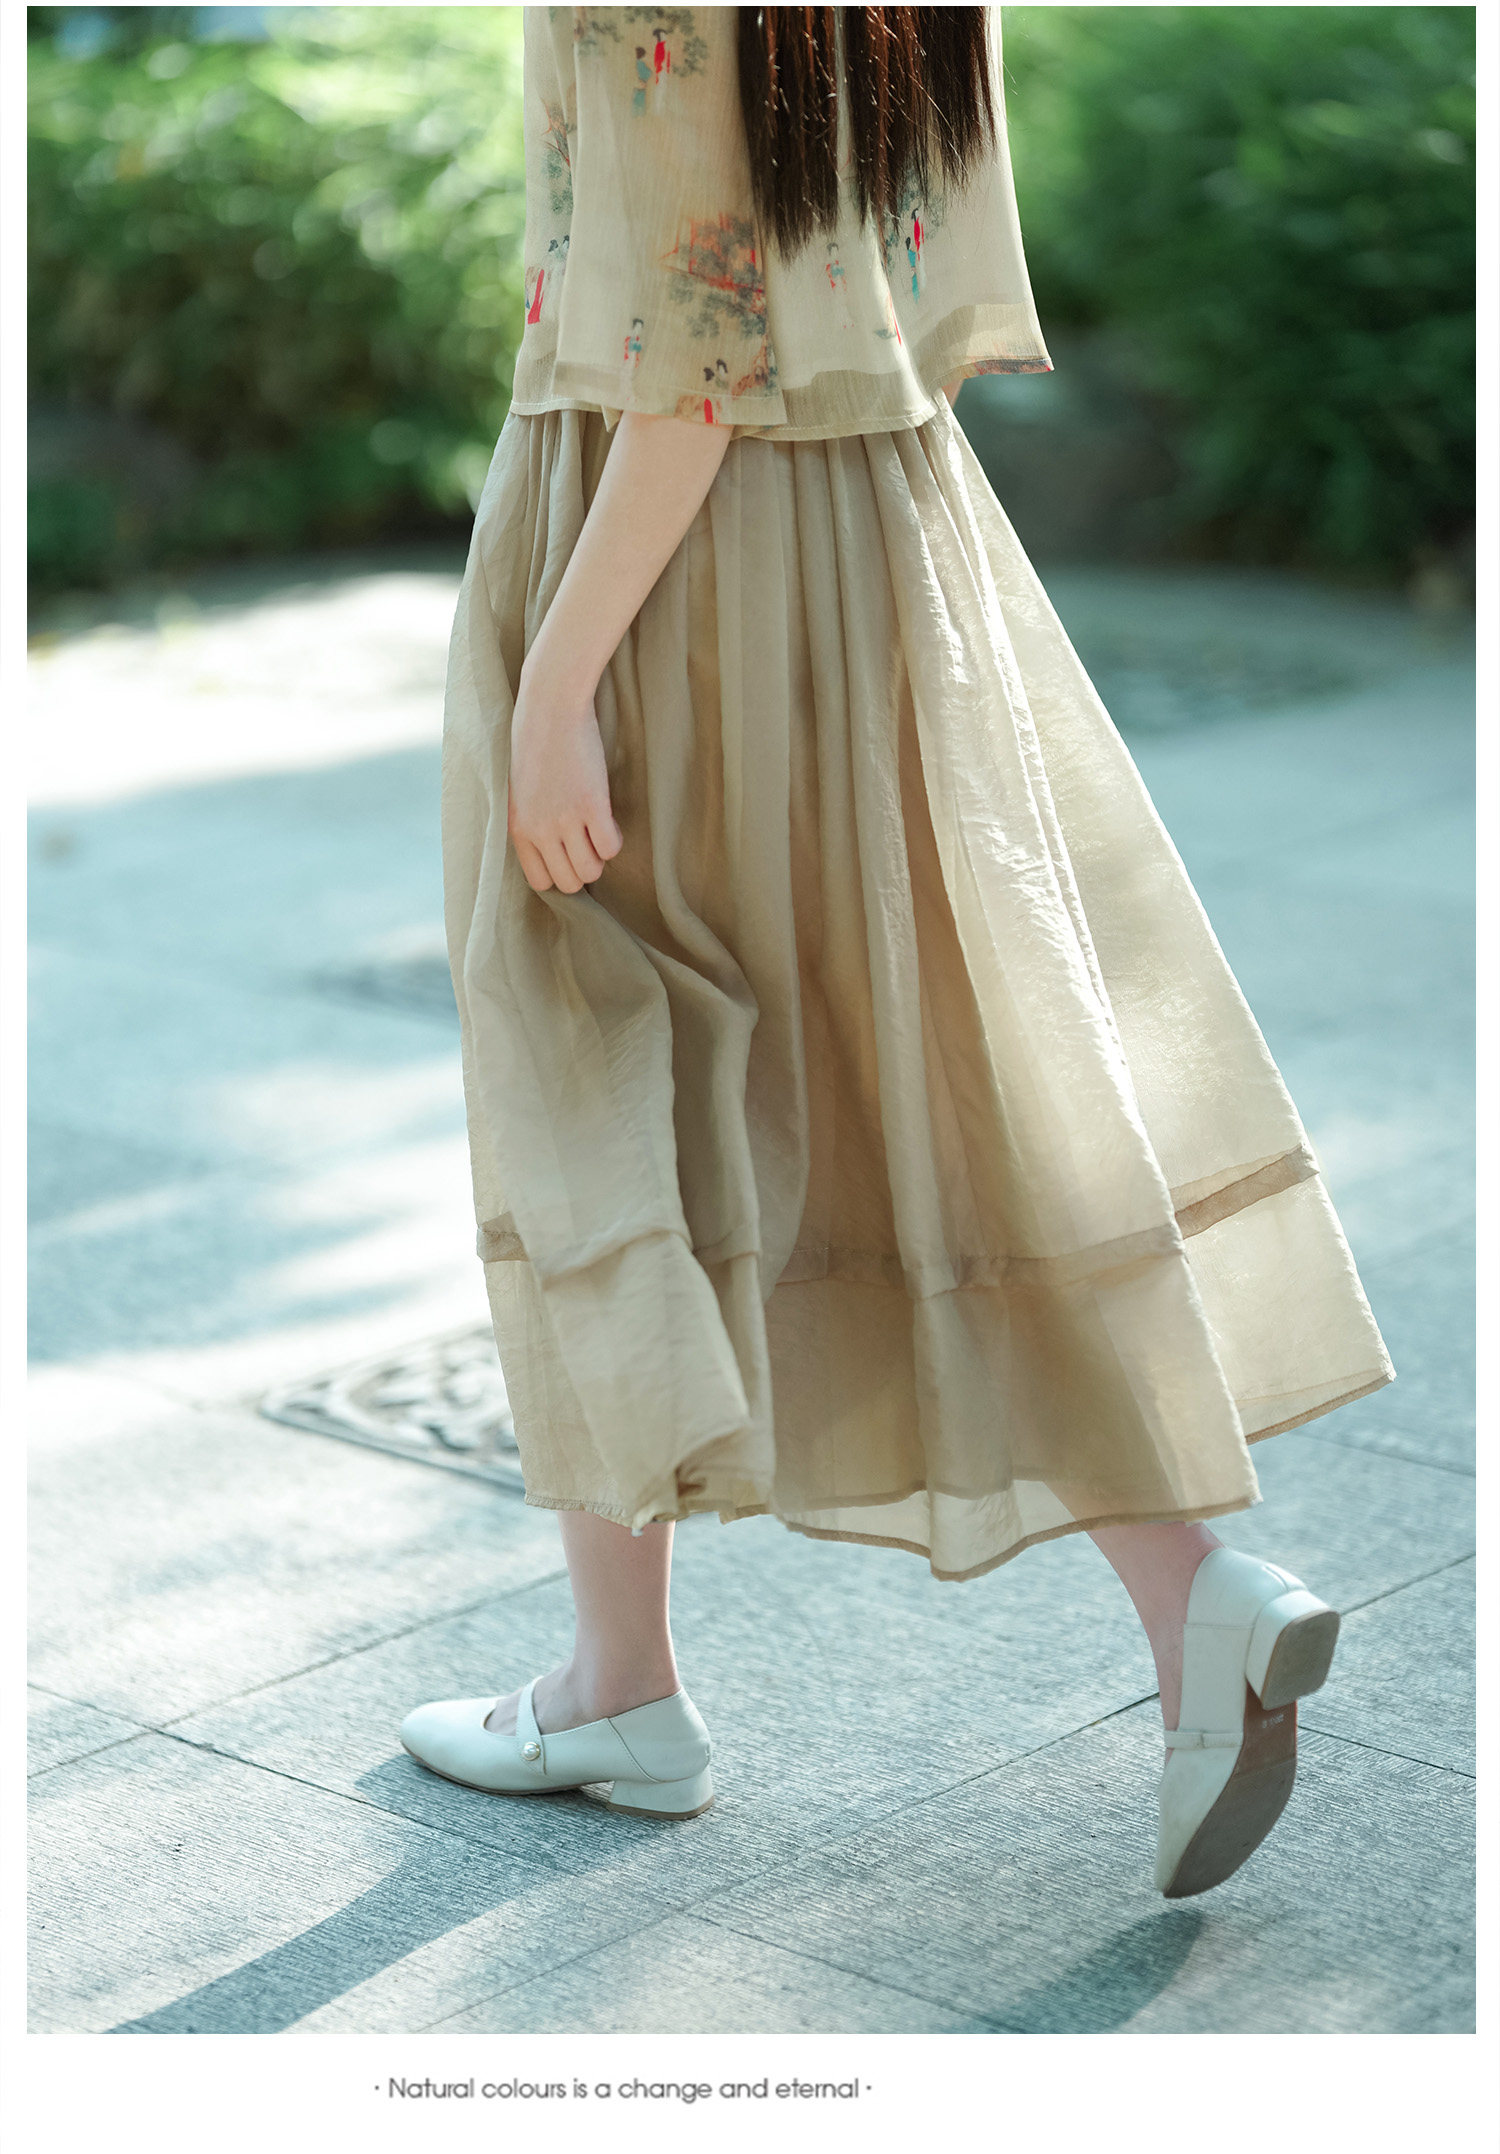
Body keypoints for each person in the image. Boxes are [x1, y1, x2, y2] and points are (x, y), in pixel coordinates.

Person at [402, 5, 1394, 1900]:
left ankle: (622, 1685)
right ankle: (1186, 1590)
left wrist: (555, 682)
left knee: (584, 1057)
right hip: (875, 526)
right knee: (916, 1078)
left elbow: (695, 349)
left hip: (662, 552)